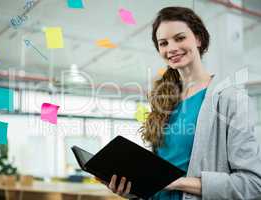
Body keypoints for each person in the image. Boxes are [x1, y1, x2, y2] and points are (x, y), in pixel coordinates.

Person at [97, 6, 261, 200]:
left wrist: (175, 182)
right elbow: (155, 181)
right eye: (163, 43)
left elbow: (253, 184)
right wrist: (132, 188)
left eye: (180, 38)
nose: (171, 48)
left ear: (199, 39)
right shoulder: (164, 101)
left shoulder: (231, 99)